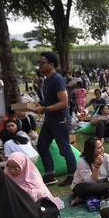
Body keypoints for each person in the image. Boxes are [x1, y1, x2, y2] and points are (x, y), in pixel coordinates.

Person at [34, 52, 76, 186]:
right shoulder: (47, 80)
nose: (39, 65)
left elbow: (64, 102)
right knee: (42, 145)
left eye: (42, 62)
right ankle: (50, 175)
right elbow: (50, 100)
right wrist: (40, 104)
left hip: (60, 119)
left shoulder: (57, 79)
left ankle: (73, 176)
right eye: (39, 62)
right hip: (50, 119)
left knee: (64, 148)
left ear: (51, 64)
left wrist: (44, 109)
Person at [70, 137, 109, 206]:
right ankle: (84, 196)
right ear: (91, 151)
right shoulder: (82, 162)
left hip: (100, 185)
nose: (102, 150)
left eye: (102, 146)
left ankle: (84, 198)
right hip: (83, 186)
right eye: (99, 148)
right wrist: (97, 166)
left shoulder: (107, 157)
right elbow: (90, 182)